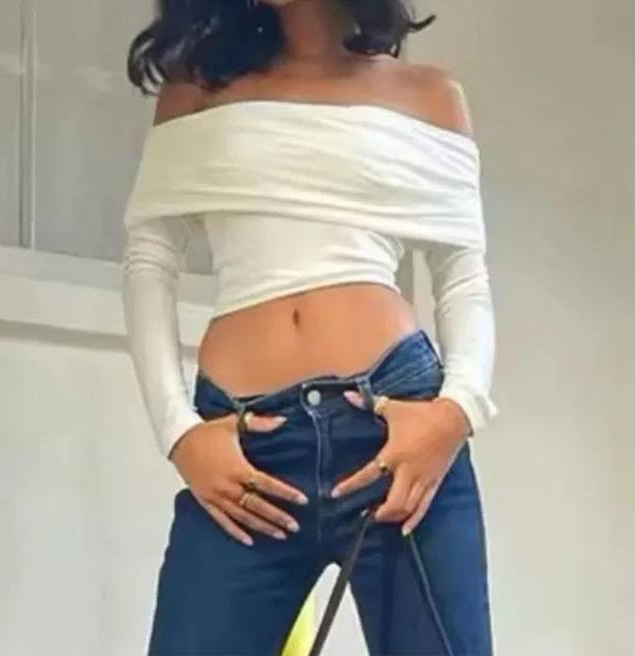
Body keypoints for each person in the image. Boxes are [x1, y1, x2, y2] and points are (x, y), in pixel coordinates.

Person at [121, 0, 499, 654]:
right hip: (248, 453)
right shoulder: (196, 94)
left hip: (394, 435)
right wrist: (178, 433)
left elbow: (463, 277)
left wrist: (454, 413)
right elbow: (149, 262)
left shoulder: (430, 96)